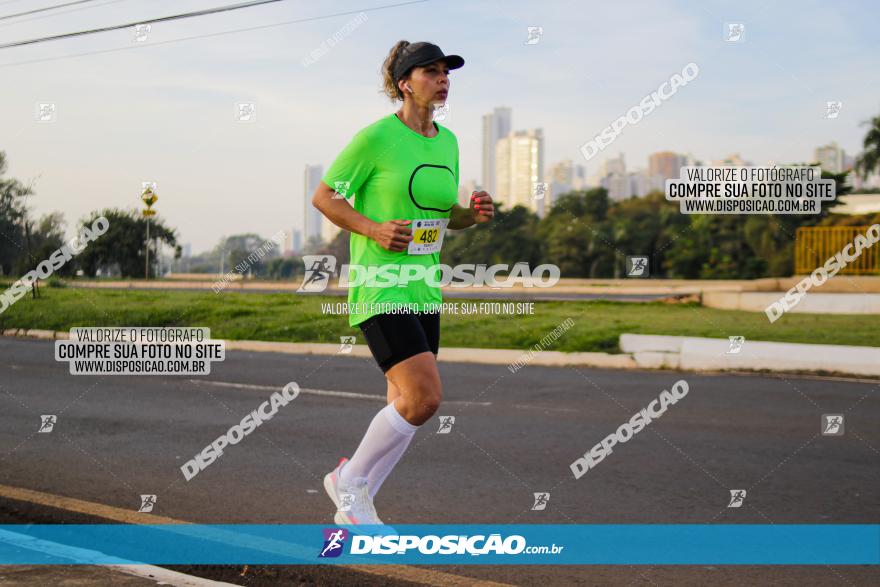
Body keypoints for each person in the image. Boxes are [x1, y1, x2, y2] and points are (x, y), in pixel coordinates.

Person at [312, 40, 494, 526]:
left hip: (423, 287)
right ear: (404, 83)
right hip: (381, 284)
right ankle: (348, 483)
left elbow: (440, 217)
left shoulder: (448, 141)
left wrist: (469, 217)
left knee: (401, 403)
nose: (442, 79)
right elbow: (324, 196)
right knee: (423, 399)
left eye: (446, 72)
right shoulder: (375, 139)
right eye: (431, 71)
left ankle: (358, 501)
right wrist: (372, 228)